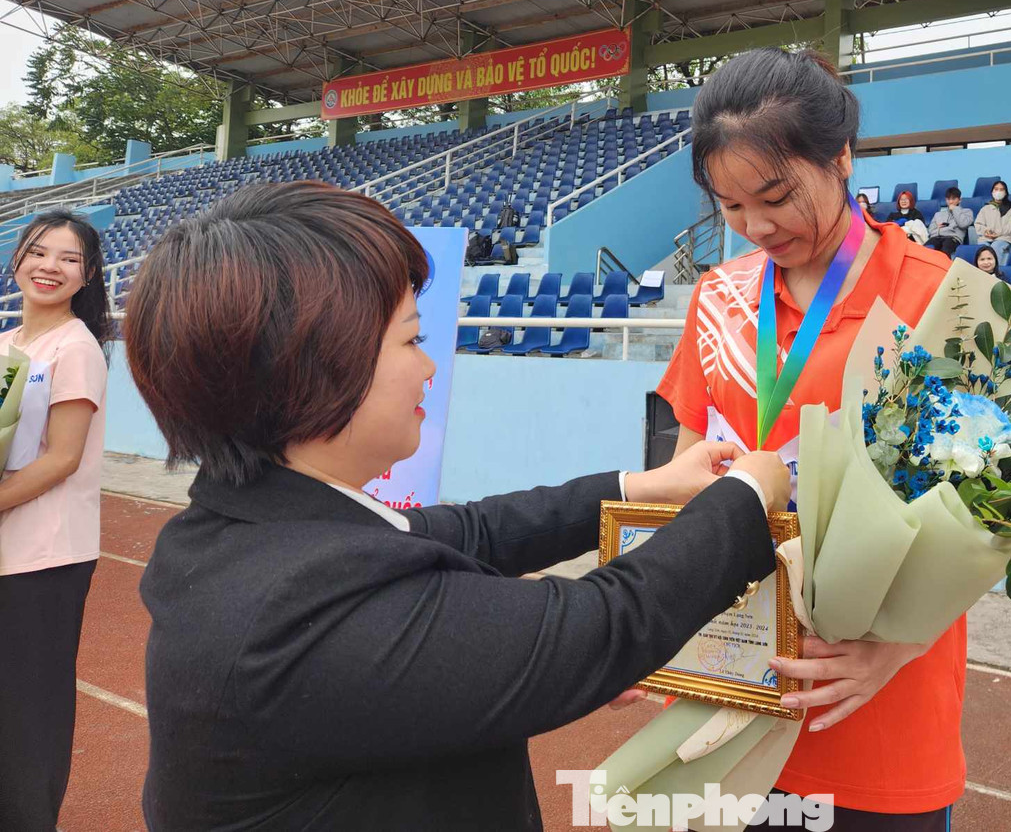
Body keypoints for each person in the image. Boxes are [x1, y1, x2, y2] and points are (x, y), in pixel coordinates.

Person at [128, 182, 791, 832]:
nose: (429, 368)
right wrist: (749, 493)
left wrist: (641, 486)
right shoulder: (300, 611)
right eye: (411, 340)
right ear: (316, 366)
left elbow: (472, 529)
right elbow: (603, 623)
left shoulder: (252, 529)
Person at [661, 47, 964, 830]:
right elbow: (680, 478)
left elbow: (992, 513)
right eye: (730, 207)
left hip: (870, 708)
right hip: (730, 693)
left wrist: (889, 652)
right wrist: (647, 617)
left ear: (841, 159)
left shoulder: (940, 300)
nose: (757, 227)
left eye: (775, 196)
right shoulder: (718, 300)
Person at [0, 210, 111, 832]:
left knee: (28, 708)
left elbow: (63, 458)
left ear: (88, 275)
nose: (50, 266)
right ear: (16, 260)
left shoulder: (76, 347)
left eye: (68, 259)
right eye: (38, 252)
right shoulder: (5, 345)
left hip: (44, 555)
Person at [974, 180, 1011, 264]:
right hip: (986, 237)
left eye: (1001, 190)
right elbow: (978, 223)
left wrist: (998, 233)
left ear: (1005, 193)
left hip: (1004, 237)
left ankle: (997, 272)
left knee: (995, 246)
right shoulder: (985, 208)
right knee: (982, 249)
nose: (998, 192)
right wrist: (985, 231)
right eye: (996, 189)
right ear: (992, 192)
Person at [925, 186, 973, 258]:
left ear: (959, 200)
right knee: (926, 248)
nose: (950, 202)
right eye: (948, 199)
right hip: (936, 237)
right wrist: (938, 229)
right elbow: (931, 230)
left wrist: (955, 209)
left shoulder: (967, 212)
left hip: (952, 238)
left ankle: (944, 268)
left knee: (946, 247)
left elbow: (963, 224)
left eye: (953, 199)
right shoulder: (938, 214)